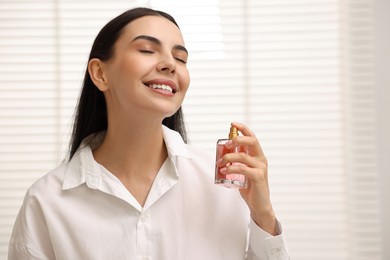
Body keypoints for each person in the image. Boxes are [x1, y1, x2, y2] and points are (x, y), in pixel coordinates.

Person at [8, 7, 289, 260]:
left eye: (180, 58)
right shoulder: (46, 202)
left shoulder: (224, 187)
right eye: (146, 50)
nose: (170, 64)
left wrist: (262, 215)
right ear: (100, 73)